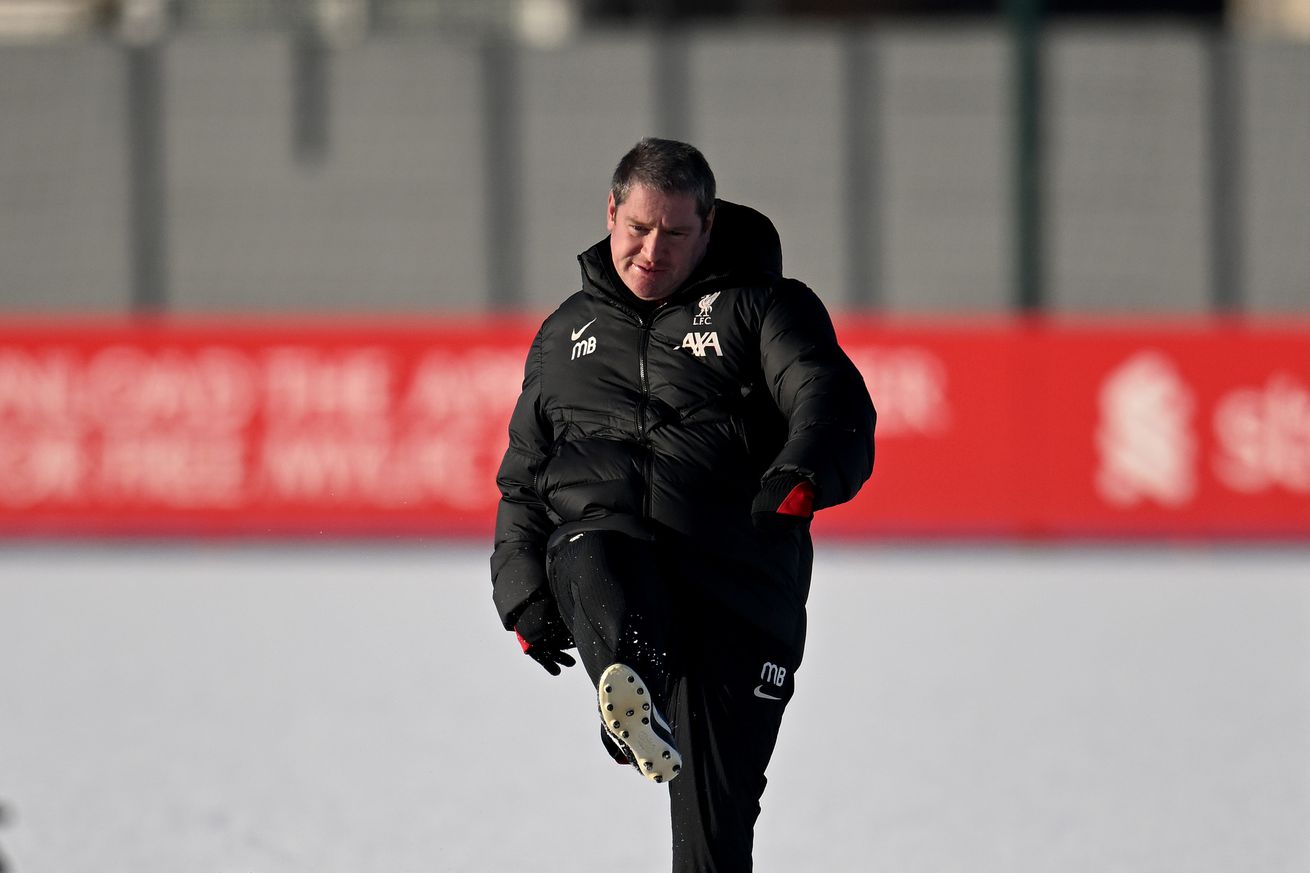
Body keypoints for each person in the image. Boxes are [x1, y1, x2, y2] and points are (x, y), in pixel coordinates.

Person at [490, 137, 876, 872]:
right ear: (611, 212)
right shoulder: (562, 336)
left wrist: (802, 472)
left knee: (713, 838)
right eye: (637, 227)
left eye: (674, 233)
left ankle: (638, 703)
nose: (650, 250)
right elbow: (524, 481)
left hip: (739, 592)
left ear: (708, 226)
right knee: (586, 543)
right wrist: (521, 595)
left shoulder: (763, 306)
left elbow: (828, 396)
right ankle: (629, 687)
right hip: (624, 580)